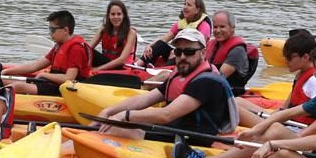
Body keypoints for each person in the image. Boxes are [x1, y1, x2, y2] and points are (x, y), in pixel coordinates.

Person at [207, 29, 316, 158]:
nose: (286, 60)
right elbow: (287, 106)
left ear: (306, 57)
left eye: (290, 57)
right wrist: (273, 115)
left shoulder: (314, 81)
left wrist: (303, 134)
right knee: (237, 102)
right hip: (288, 124)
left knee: (244, 113)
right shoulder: (301, 74)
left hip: (297, 131)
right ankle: (215, 137)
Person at [96, 28, 237, 149]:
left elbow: (166, 115)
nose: (182, 56)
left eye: (189, 51)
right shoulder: (180, 74)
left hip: (189, 142)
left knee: (116, 128)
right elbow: (144, 99)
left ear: (202, 53)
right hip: (172, 132)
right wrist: (109, 111)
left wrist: (124, 115)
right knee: (113, 124)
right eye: (178, 52)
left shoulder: (207, 81)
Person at [3, 10, 91, 97]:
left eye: (53, 30)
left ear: (65, 30)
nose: (50, 33)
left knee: (18, 86)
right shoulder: (59, 45)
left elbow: (69, 78)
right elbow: (34, 66)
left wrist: (43, 75)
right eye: (50, 29)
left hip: (67, 89)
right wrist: (6, 71)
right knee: (3, 80)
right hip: (53, 83)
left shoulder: (76, 48)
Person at [141, 0, 211, 66]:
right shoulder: (181, 23)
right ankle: (139, 64)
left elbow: (198, 46)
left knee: (177, 53)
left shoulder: (204, 25)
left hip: (192, 56)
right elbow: (164, 38)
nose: (185, 7)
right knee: (160, 44)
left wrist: (176, 51)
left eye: (189, 5)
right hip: (179, 52)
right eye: (184, 4)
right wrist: (149, 46)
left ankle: (165, 71)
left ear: (197, 10)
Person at [204, 10, 258, 95]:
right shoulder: (212, 44)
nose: (218, 30)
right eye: (215, 27)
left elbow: (219, 77)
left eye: (222, 27)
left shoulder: (237, 51)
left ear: (232, 28)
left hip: (230, 94)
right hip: (213, 89)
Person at [88, 0, 139, 71]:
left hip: (122, 67)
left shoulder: (131, 33)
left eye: (119, 14)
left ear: (123, 15)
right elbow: (88, 47)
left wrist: (97, 69)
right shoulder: (103, 29)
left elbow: (122, 60)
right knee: (85, 50)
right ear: (108, 16)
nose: (116, 17)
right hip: (107, 63)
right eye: (113, 14)